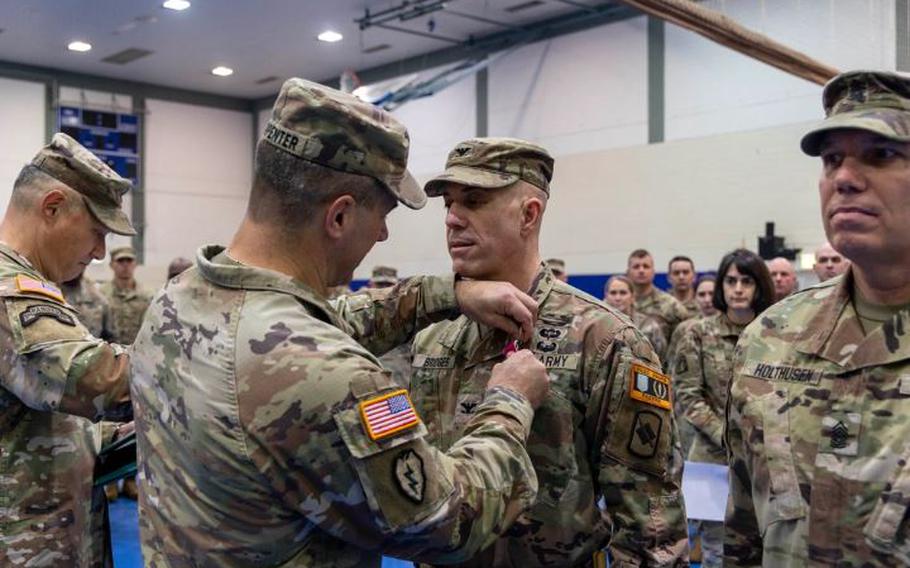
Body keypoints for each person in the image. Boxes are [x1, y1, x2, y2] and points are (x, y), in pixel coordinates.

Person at [129, 78, 552, 567]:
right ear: (339, 217)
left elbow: (317, 324)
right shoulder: (335, 378)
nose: (384, 233)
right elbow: (449, 521)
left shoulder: (176, 304)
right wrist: (510, 403)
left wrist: (449, 292)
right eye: (383, 214)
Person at [410, 137, 688, 567]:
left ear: (529, 214)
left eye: (474, 200)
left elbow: (649, 522)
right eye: (448, 203)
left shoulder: (603, 338)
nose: (452, 219)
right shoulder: (435, 334)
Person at [725, 70, 910, 566]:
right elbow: (744, 525)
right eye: (832, 160)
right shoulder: (771, 337)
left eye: (881, 154)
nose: (845, 178)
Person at [0, 133, 134, 567]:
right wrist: (212, 340)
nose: (100, 253)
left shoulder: (38, 287)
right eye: (97, 232)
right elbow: (99, 382)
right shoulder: (10, 293)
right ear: (52, 208)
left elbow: (38, 425)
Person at [673, 249, 773, 568]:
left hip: (767, 456)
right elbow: (687, 395)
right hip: (713, 458)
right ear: (721, 286)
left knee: (768, 545)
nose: (738, 289)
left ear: (759, 286)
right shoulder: (697, 333)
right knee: (717, 549)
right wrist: (729, 437)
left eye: (746, 281)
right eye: (730, 281)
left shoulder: (774, 333)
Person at [100, 244, 151, 500]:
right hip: (111, 368)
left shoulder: (147, 297)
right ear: (112, 264)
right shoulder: (102, 296)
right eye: (120, 261)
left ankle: (130, 480)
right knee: (108, 421)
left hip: (139, 369)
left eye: (129, 261)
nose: (125, 265)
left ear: (135, 264)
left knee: (136, 421)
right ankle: (110, 481)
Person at [627, 249, 691, 348]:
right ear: (628, 272)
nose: (641, 270)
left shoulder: (671, 305)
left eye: (646, 266)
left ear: (653, 272)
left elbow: (685, 341)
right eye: (636, 267)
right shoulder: (617, 304)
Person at [604, 274, 669, 361]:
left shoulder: (649, 326)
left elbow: (661, 359)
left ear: (632, 297)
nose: (618, 298)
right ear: (606, 296)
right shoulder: (599, 325)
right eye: (613, 293)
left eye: (623, 293)